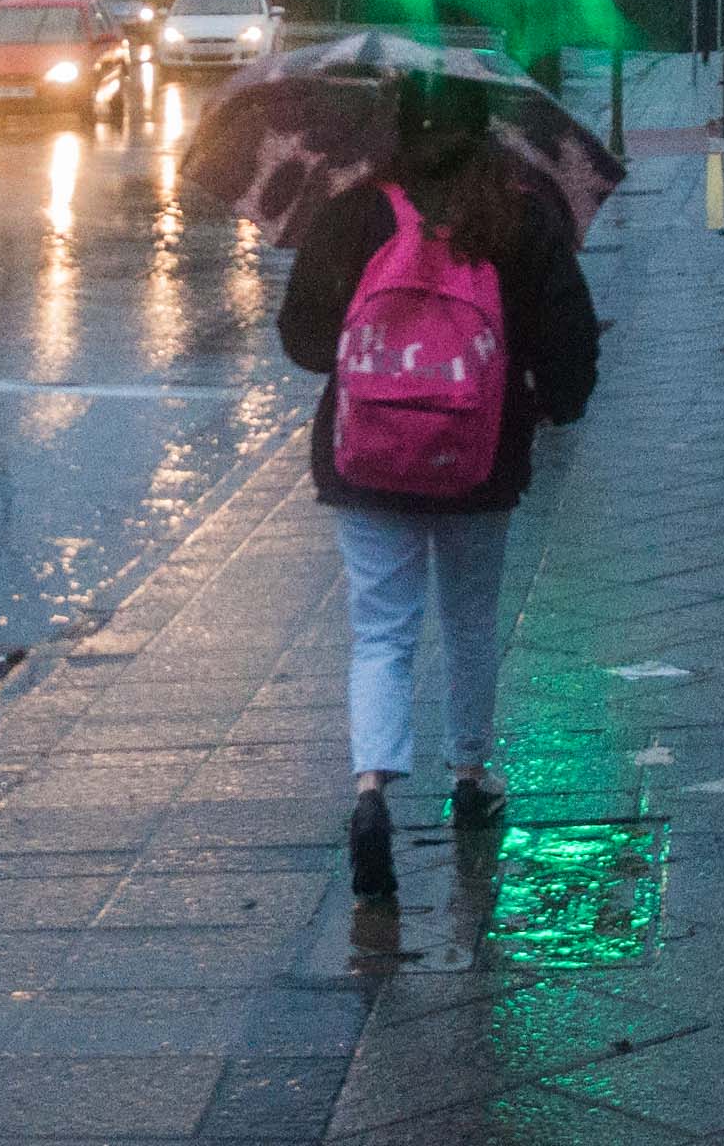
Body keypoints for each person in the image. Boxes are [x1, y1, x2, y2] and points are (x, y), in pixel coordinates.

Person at [276, 73, 600, 897]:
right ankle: (467, 777)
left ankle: (371, 792)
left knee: (380, 630)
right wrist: (556, 405)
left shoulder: (351, 214)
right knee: (467, 618)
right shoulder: (517, 214)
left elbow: (306, 343)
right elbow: (567, 334)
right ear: (484, 131)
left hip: (367, 460)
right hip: (479, 457)